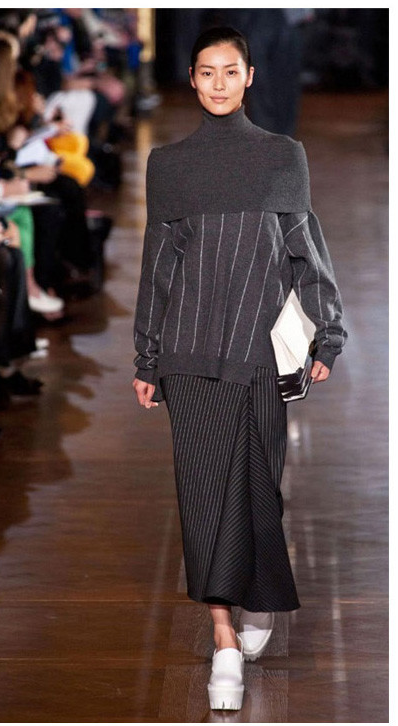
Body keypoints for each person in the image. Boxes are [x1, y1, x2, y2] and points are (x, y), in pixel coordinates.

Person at [132, 26, 347, 712]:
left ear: (250, 77)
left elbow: (305, 252)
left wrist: (328, 336)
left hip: (258, 352)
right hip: (190, 353)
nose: (219, 83)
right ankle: (224, 637)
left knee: (258, 488)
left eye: (231, 70)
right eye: (207, 71)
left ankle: (256, 596)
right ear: (192, 79)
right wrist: (146, 356)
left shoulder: (283, 156)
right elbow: (158, 268)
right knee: (202, 495)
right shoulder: (169, 164)